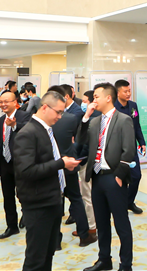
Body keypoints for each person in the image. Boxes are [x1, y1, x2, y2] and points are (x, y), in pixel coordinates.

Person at [13, 91, 81, 271]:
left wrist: (64, 163)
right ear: (45, 107)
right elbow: (26, 171)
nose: (60, 116)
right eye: (58, 112)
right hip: (38, 204)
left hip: (51, 200)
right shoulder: (28, 133)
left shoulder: (46, 130)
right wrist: (61, 163)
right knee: (36, 258)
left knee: (48, 252)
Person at [81, 83, 136, 271]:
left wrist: (120, 175)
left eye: (96, 96)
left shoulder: (123, 119)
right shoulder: (94, 121)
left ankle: (125, 264)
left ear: (108, 98)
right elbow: (81, 142)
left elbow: (129, 150)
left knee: (121, 224)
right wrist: (86, 117)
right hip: (97, 177)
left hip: (114, 178)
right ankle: (104, 259)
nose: (93, 100)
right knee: (102, 223)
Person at [48, 85, 97, 247]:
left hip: (50, 165)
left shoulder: (41, 120)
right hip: (68, 164)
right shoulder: (70, 118)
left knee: (56, 202)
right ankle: (84, 235)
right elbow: (81, 139)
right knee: (76, 199)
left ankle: (55, 241)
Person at [0, 91, 31, 239]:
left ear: (15, 102)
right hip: (5, 163)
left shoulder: (25, 116)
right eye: (1, 102)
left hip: (21, 164)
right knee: (7, 196)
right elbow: (3, 143)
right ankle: (11, 226)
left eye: (6, 101)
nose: (3, 104)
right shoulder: (0, 121)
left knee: (24, 194)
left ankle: (27, 217)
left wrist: (15, 125)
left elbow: (29, 133)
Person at [114, 79, 146, 214]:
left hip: (131, 147)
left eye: (129, 91)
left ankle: (129, 202)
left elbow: (137, 125)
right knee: (119, 178)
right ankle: (119, 204)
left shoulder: (133, 106)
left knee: (136, 176)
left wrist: (142, 142)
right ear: (117, 93)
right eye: (125, 91)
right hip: (117, 148)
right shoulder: (113, 107)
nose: (128, 94)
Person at [75, 90, 100, 238]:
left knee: (87, 196)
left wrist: (79, 157)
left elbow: (84, 142)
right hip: (91, 161)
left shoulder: (92, 118)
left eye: (85, 101)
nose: (82, 104)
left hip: (87, 161)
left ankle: (92, 227)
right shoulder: (87, 116)